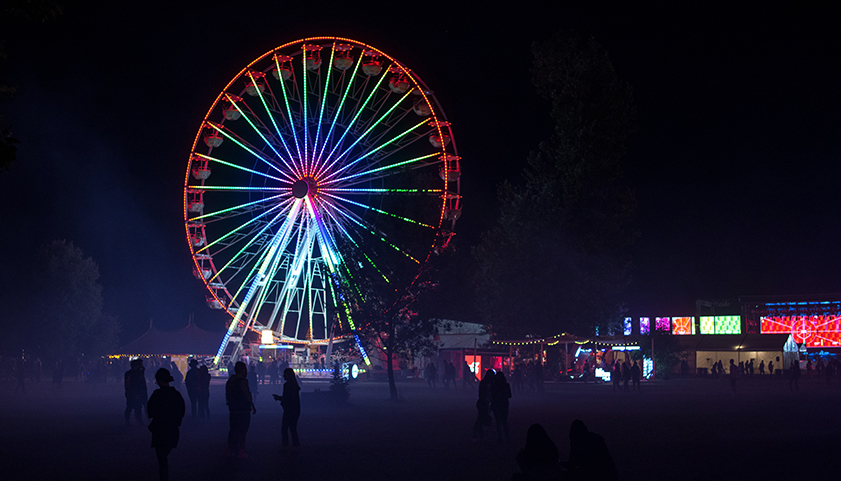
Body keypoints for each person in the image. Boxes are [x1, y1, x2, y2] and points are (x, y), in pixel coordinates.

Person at [146, 368, 185, 481]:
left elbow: (150, 411)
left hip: (159, 428)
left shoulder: (157, 394)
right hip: (172, 428)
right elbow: (181, 410)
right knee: (164, 454)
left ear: (159, 381)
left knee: (161, 457)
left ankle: (164, 477)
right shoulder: (176, 394)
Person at [226, 361, 257, 458]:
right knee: (243, 430)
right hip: (243, 408)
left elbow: (227, 394)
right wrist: (252, 405)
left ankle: (231, 449)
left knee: (233, 429)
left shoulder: (230, 380)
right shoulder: (243, 381)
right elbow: (247, 395)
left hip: (233, 408)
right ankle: (241, 450)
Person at [273, 368, 301, 449]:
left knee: (284, 428)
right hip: (295, 409)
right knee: (293, 428)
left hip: (289, 409)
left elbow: (286, 397)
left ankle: (285, 444)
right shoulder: (295, 385)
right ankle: (295, 445)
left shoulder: (287, 385)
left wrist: (279, 399)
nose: (283, 376)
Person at [472, 369, 494, 441]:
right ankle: (476, 433)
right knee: (480, 419)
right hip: (483, 402)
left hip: (482, 402)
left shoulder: (483, 382)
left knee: (480, 418)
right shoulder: (487, 383)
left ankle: (479, 434)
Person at [125, 359, 148, 425]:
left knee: (138, 406)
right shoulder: (133, 373)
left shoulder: (135, 373)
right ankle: (131, 420)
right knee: (132, 406)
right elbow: (129, 385)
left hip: (140, 392)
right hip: (134, 393)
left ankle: (138, 420)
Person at [490, 370, 512, 443]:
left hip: (496, 405)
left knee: (498, 422)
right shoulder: (506, 385)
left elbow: (491, 396)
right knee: (504, 422)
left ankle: (500, 438)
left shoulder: (493, 386)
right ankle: (508, 437)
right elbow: (509, 395)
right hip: (504, 405)